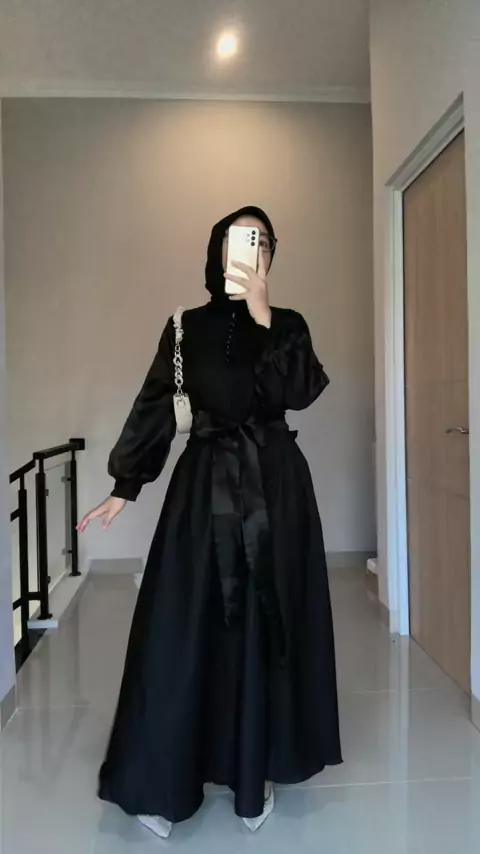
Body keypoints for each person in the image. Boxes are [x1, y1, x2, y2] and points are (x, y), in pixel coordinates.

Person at [78, 205, 342, 838]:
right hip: (204, 487)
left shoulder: (287, 324)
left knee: (267, 624)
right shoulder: (184, 327)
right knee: (179, 624)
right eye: (239, 238)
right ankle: (161, 779)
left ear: (271, 253)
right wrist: (125, 485)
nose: (252, 249)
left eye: (262, 241)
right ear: (217, 249)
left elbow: (301, 391)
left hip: (276, 489)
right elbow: (155, 404)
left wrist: (264, 318)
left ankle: (259, 768)